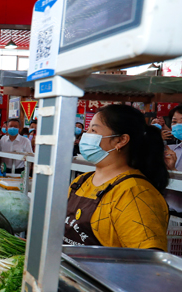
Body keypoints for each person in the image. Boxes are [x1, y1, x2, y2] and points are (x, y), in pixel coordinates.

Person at [64, 105, 169, 250]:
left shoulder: (135, 193)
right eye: (87, 129)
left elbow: (148, 257)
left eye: (93, 130)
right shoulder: (81, 182)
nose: (85, 135)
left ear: (121, 140)